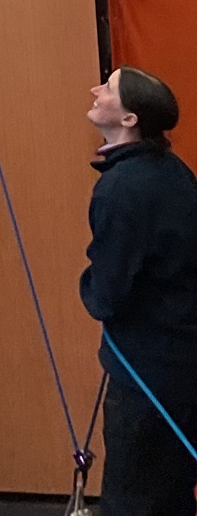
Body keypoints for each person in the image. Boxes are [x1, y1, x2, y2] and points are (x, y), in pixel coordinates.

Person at [80, 65, 197, 516]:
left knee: (134, 501)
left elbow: (107, 295)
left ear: (129, 118)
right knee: (172, 497)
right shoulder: (174, 172)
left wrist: (88, 286)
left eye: (108, 87)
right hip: (180, 367)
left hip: (147, 377)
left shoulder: (122, 188)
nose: (96, 90)